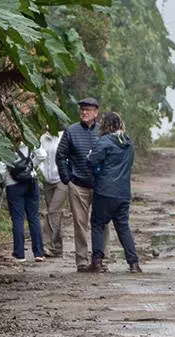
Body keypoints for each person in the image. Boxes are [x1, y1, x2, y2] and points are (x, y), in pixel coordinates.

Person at [87, 112, 141, 273]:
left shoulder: (104, 142)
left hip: (104, 190)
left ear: (105, 125)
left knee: (97, 224)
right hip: (123, 192)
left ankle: (97, 261)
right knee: (123, 227)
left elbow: (91, 161)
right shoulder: (129, 143)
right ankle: (134, 263)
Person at [55, 97, 101, 272]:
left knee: (101, 223)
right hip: (78, 185)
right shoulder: (71, 131)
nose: (84, 112)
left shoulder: (103, 131)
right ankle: (82, 261)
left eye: (88, 109)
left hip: (99, 186)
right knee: (80, 224)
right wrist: (67, 178)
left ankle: (101, 259)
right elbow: (60, 155)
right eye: (82, 109)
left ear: (96, 112)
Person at [4, 142, 45, 263]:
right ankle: (39, 253)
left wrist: (6, 179)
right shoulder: (29, 141)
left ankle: (19, 254)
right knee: (34, 218)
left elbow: (1, 166)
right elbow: (42, 155)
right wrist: (31, 167)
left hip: (13, 185)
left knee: (18, 219)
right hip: (31, 182)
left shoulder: (5, 144)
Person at [38, 126, 66, 258]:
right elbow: (39, 156)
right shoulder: (43, 138)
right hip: (47, 180)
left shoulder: (64, 136)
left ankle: (46, 245)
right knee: (55, 213)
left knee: (53, 211)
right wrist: (41, 171)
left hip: (62, 179)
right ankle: (57, 247)